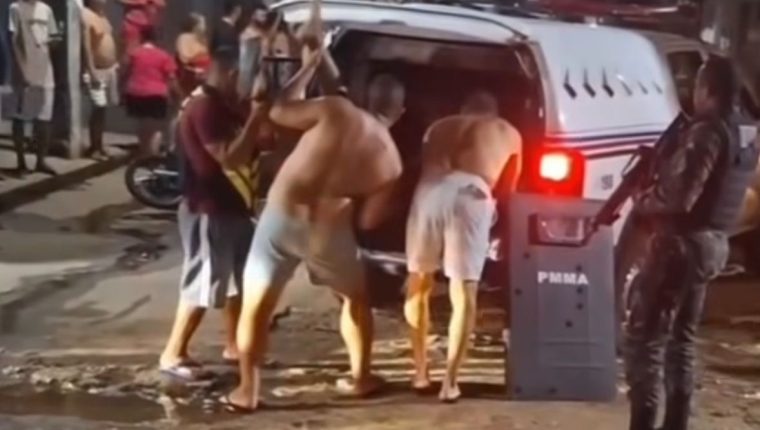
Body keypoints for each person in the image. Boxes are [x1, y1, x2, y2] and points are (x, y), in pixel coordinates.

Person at [220, 0, 406, 413]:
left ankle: (248, 391)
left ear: (365, 96)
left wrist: (308, 67)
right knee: (355, 300)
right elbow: (369, 220)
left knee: (257, 305)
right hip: (328, 228)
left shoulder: (337, 110)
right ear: (401, 111)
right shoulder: (392, 162)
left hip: (281, 216)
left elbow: (279, 110)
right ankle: (361, 378)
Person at [625, 57, 758, 430]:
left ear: (707, 89)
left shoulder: (709, 131)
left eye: (697, 86)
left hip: (679, 246)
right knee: (681, 342)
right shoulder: (745, 132)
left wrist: (644, 201)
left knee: (645, 342)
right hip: (712, 245)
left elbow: (682, 197)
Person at [159, 45, 271, 379]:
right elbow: (229, 158)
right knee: (203, 282)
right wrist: (255, 119)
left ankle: (235, 345)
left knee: (242, 280)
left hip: (236, 206)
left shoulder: (226, 104)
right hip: (208, 208)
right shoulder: (204, 107)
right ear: (232, 74)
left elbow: (265, 142)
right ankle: (173, 352)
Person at [404, 90, 522, 403]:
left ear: (463, 109)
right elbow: (509, 191)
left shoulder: (439, 127)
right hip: (472, 194)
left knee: (419, 282)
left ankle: (420, 373)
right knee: (463, 290)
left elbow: (422, 166)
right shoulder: (508, 132)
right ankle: (450, 383)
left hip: (429, 192)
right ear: (493, 112)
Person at [8, 0, 60, 176]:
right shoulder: (16, 8)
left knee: (44, 117)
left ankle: (41, 160)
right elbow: (13, 41)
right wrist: (21, 69)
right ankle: (21, 162)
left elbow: (52, 37)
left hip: (45, 69)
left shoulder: (46, 9)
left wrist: (55, 41)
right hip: (25, 70)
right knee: (21, 117)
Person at [122, 25, 178, 156]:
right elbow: (171, 78)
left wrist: (122, 90)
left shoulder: (134, 53)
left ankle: (144, 153)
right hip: (156, 95)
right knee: (156, 128)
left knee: (142, 125)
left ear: (142, 37)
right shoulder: (164, 56)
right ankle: (152, 156)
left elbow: (124, 72)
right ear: (157, 38)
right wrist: (176, 95)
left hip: (135, 93)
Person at [82, 0, 119, 160]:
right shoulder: (86, 15)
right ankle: (94, 147)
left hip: (109, 69)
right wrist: (91, 71)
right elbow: (86, 47)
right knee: (98, 108)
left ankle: (99, 144)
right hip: (96, 70)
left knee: (103, 111)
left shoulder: (103, 16)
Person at [175, 13, 211, 98]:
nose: (204, 26)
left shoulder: (203, 39)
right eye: (201, 23)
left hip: (205, 74)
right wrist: (200, 56)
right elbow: (185, 58)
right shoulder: (184, 38)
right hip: (192, 74)